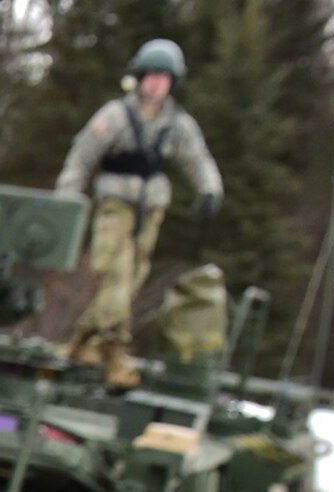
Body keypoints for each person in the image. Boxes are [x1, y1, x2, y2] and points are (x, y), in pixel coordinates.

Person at [56, 38, 224, 390]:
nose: (157, 83)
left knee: (132, 280)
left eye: (165, 78)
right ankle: (115, 353)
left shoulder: (176, 123)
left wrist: (209, 190)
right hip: (115, 207)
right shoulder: (116, 116)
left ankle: (82, 342)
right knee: (115, 275)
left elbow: (197, 158)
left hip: (151, 209)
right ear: (139, 76)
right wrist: (67, 196)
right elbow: (81, 156)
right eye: (152, 76)